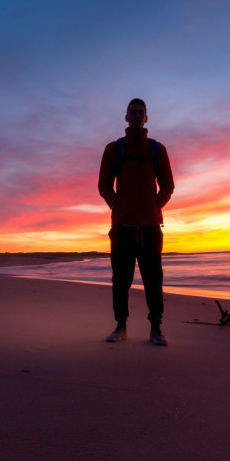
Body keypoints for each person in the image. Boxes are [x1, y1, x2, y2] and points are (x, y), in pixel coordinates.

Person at [97, 98, 175, 346]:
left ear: (147, 118)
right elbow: (104, 184)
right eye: (133, 112)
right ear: (126, 117)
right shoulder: (114, 149)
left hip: (151, 228)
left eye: (141, 112)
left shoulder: (157, 149)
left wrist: (154, 207)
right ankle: (120, 326)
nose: (137, 116)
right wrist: (118, 206)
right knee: (121, 280)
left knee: (154, 280)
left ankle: (156, 328)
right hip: (122, 227)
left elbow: (168, 185)